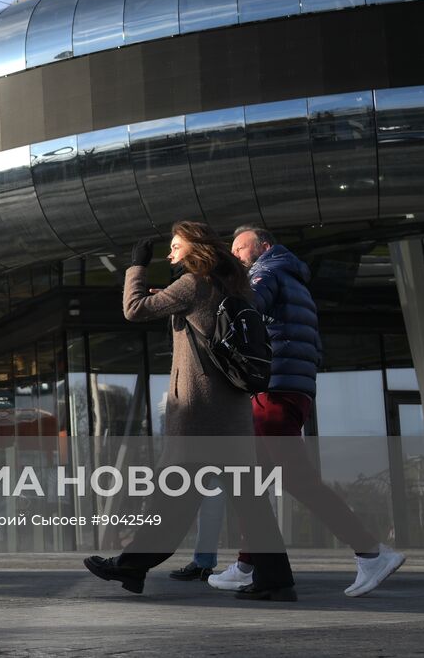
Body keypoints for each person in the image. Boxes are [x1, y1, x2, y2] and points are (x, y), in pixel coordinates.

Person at [84, 221, 298, 602]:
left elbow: (133, 310)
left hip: (199, 415)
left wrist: (137, 266)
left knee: (173, 496)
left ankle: (131, 567)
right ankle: (277, 580)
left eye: (175, 246)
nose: (170, 253)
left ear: (194, 248)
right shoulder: (234, 282)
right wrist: (169, 298)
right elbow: (204, 319)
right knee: (245, 501)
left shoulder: (194, 282)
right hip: (231, 414)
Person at [206, 225, 405, 598]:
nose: (235, 255)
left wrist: (206, 298)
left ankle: (372, 552)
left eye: (239, 248)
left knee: (297, 480)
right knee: (250, 482)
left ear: (263, 246)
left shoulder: (266, 272)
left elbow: (248, 309)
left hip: (276, 390)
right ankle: (248, 564)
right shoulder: (292, 277)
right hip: (290, 388)